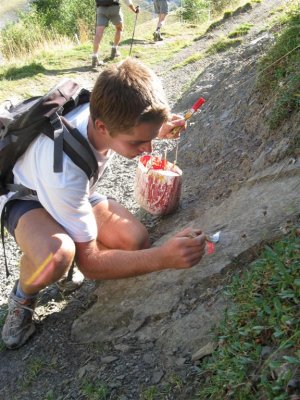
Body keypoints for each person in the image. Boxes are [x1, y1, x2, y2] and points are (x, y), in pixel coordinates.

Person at [1, 58, 206, 349]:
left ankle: (69, 231)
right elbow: (93, 264)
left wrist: (155, 129)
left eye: (148, 139)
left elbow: (131, 127)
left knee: (134, 240)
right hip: (25, 195)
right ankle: (23, 295)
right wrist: (163, 258)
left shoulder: (106, 110)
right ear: (102, 127)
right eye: (138, 143)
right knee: (56, 255)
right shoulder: (64, 173)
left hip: (71, 193)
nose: (147, 150)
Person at [92, 0, 139, 67]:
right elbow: (127, 2)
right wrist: (135, 10)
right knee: (119, 28)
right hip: (114, 8)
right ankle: (114, 50)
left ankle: (94, 57)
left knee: (98, 33)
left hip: (101, 9)